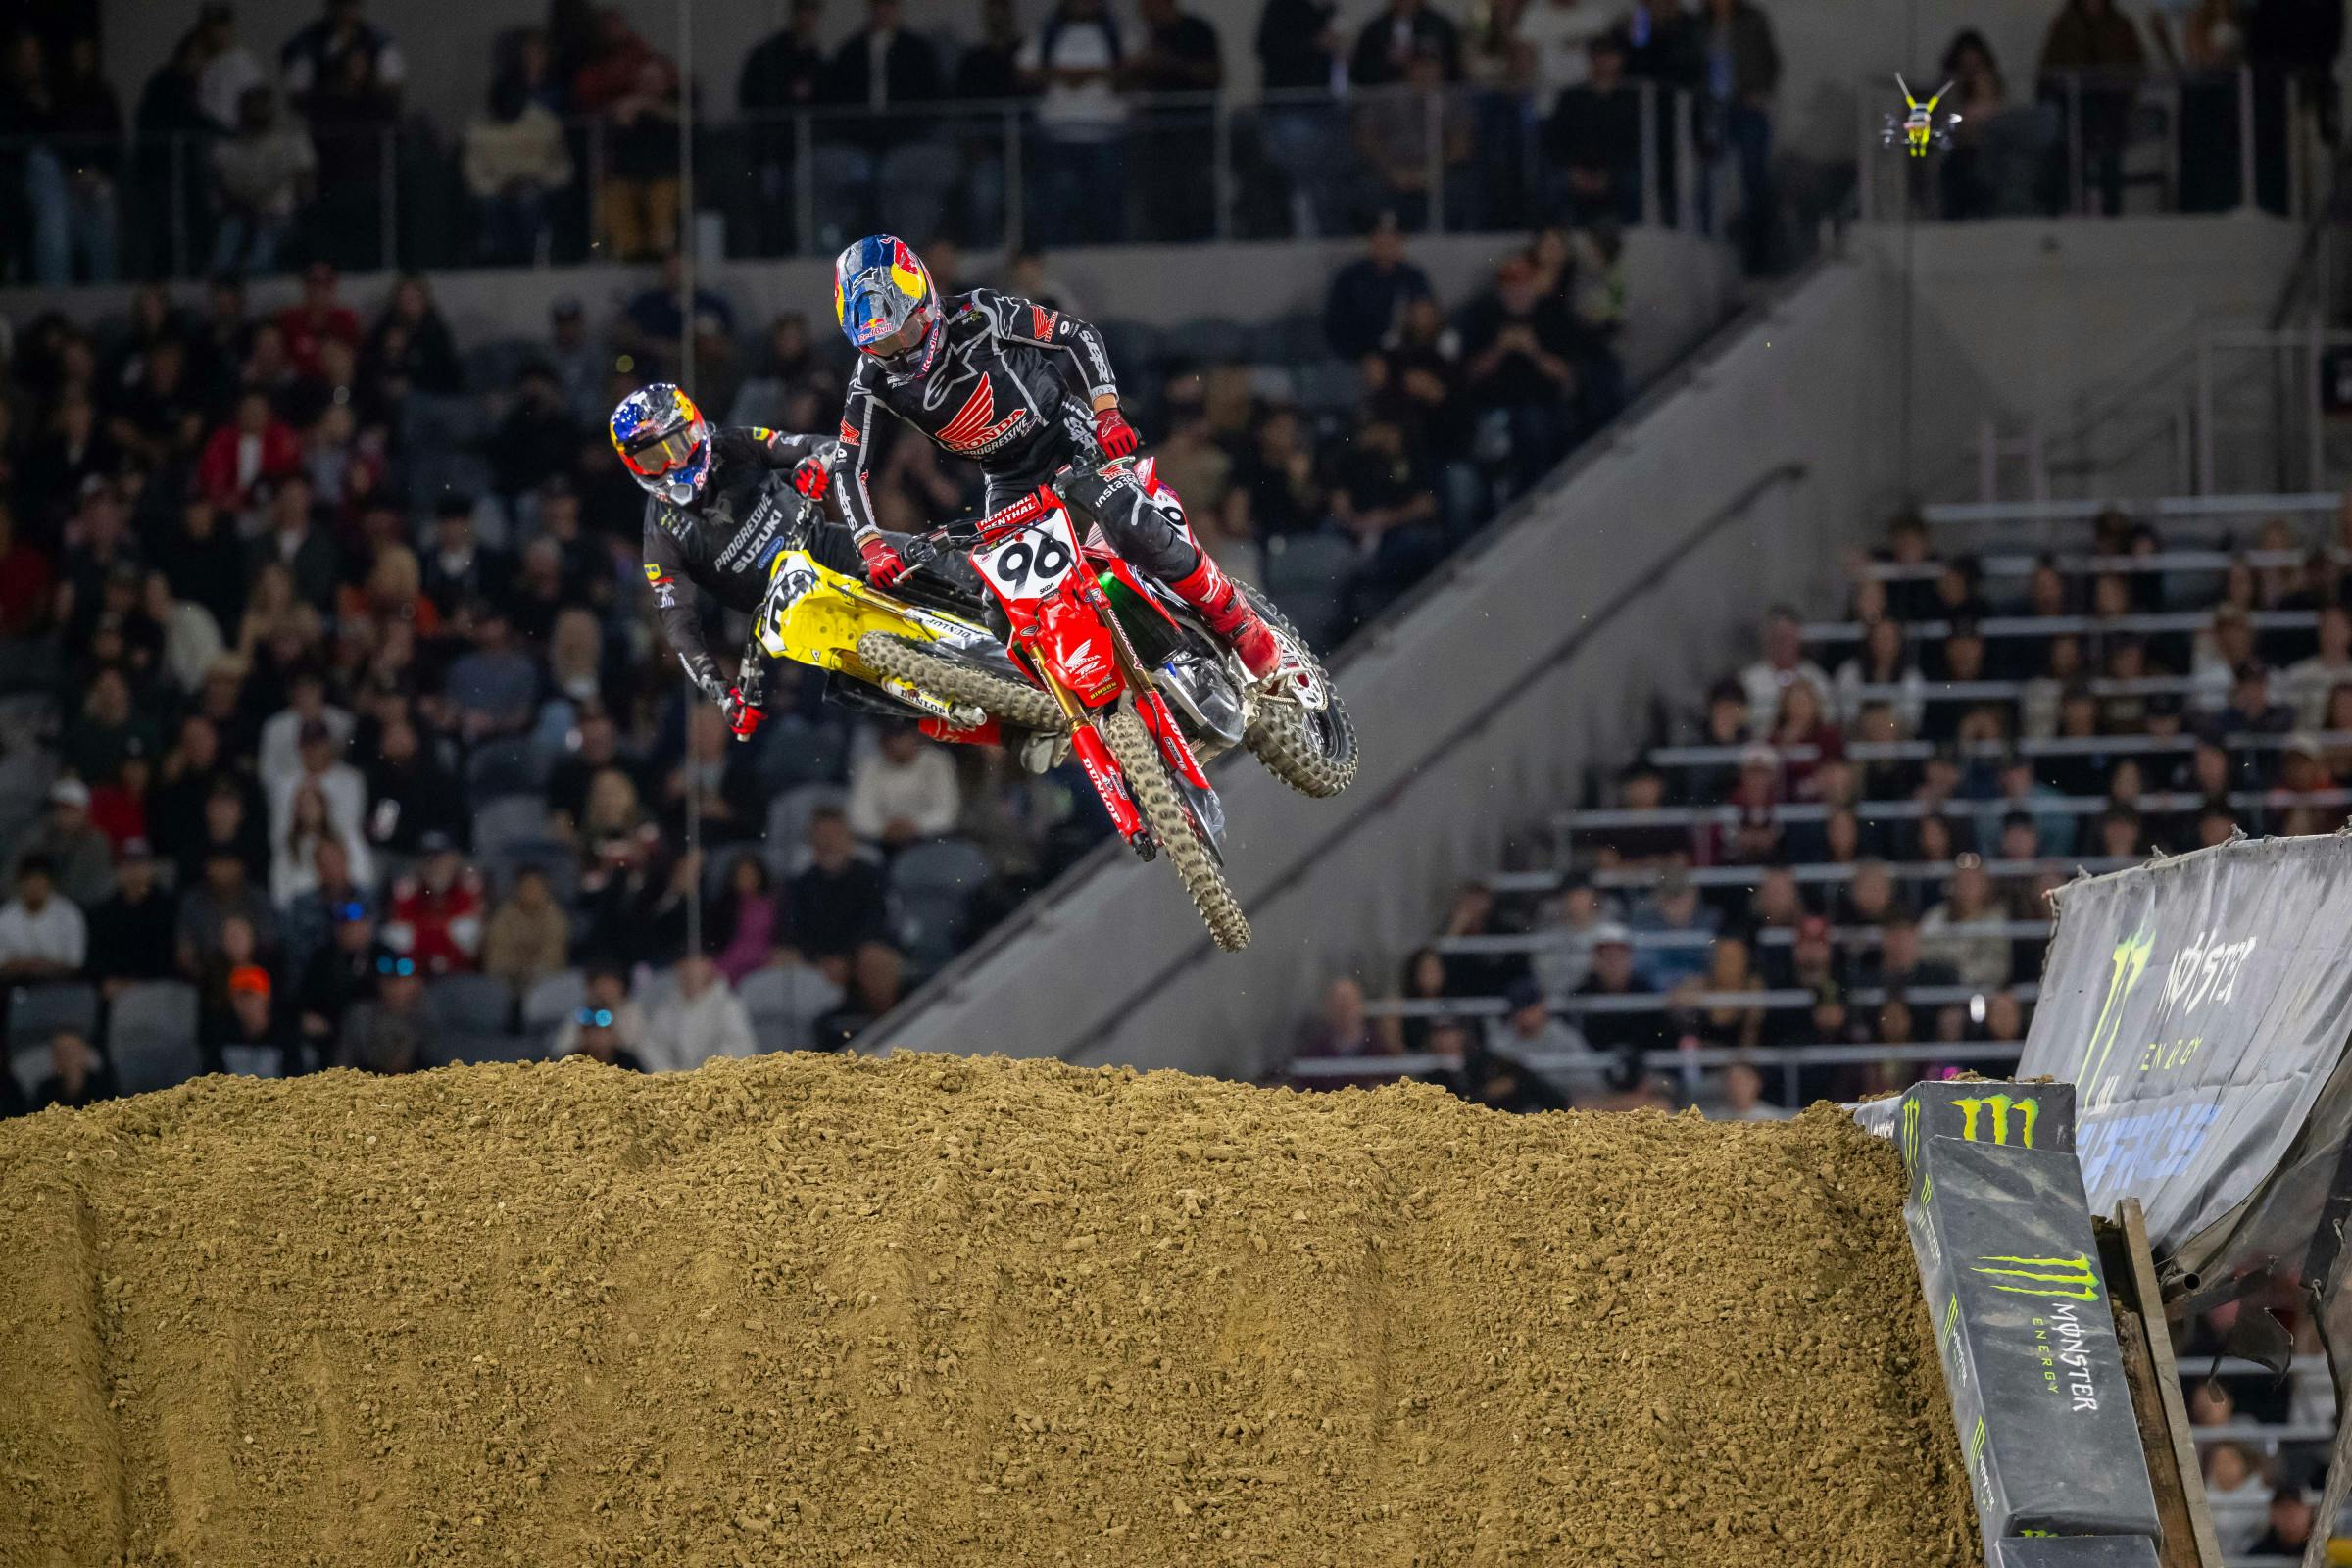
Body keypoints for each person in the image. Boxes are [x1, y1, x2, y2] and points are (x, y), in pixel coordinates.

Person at [833, 236, 1287, 687]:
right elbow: (847, 465)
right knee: (1002, 613)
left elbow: (1076, 334)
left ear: (925, 300)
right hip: (1007, 478)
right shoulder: (870, 381)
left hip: (1064, 436)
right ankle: (1091, 696)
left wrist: (1107, 413)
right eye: (882, 344)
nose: (900, 351)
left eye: (906, 332)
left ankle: (1234, 615)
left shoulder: (979, 314)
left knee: (1129, 524)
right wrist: (868, 540)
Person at [646, 954, 759, 1070]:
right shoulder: (666, 1007)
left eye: (698, 963)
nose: (691, 970)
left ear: (709, 966)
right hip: (674, 1083)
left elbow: (740, 1047)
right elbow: (653, 1047)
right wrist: (673, 1078)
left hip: (717, 1081)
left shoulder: (728, 1005)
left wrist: (706, 1077)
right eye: (685, 964)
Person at [0, 857, 87, 985]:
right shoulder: (5, 916)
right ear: (20, 883)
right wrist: (25, 965)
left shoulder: (69, 914)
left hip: (59, 985)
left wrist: (44, 966)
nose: (35, 886)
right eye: (29, 880)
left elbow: (75, 963)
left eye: (40, 880)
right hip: (14, 985)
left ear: (51, 883)